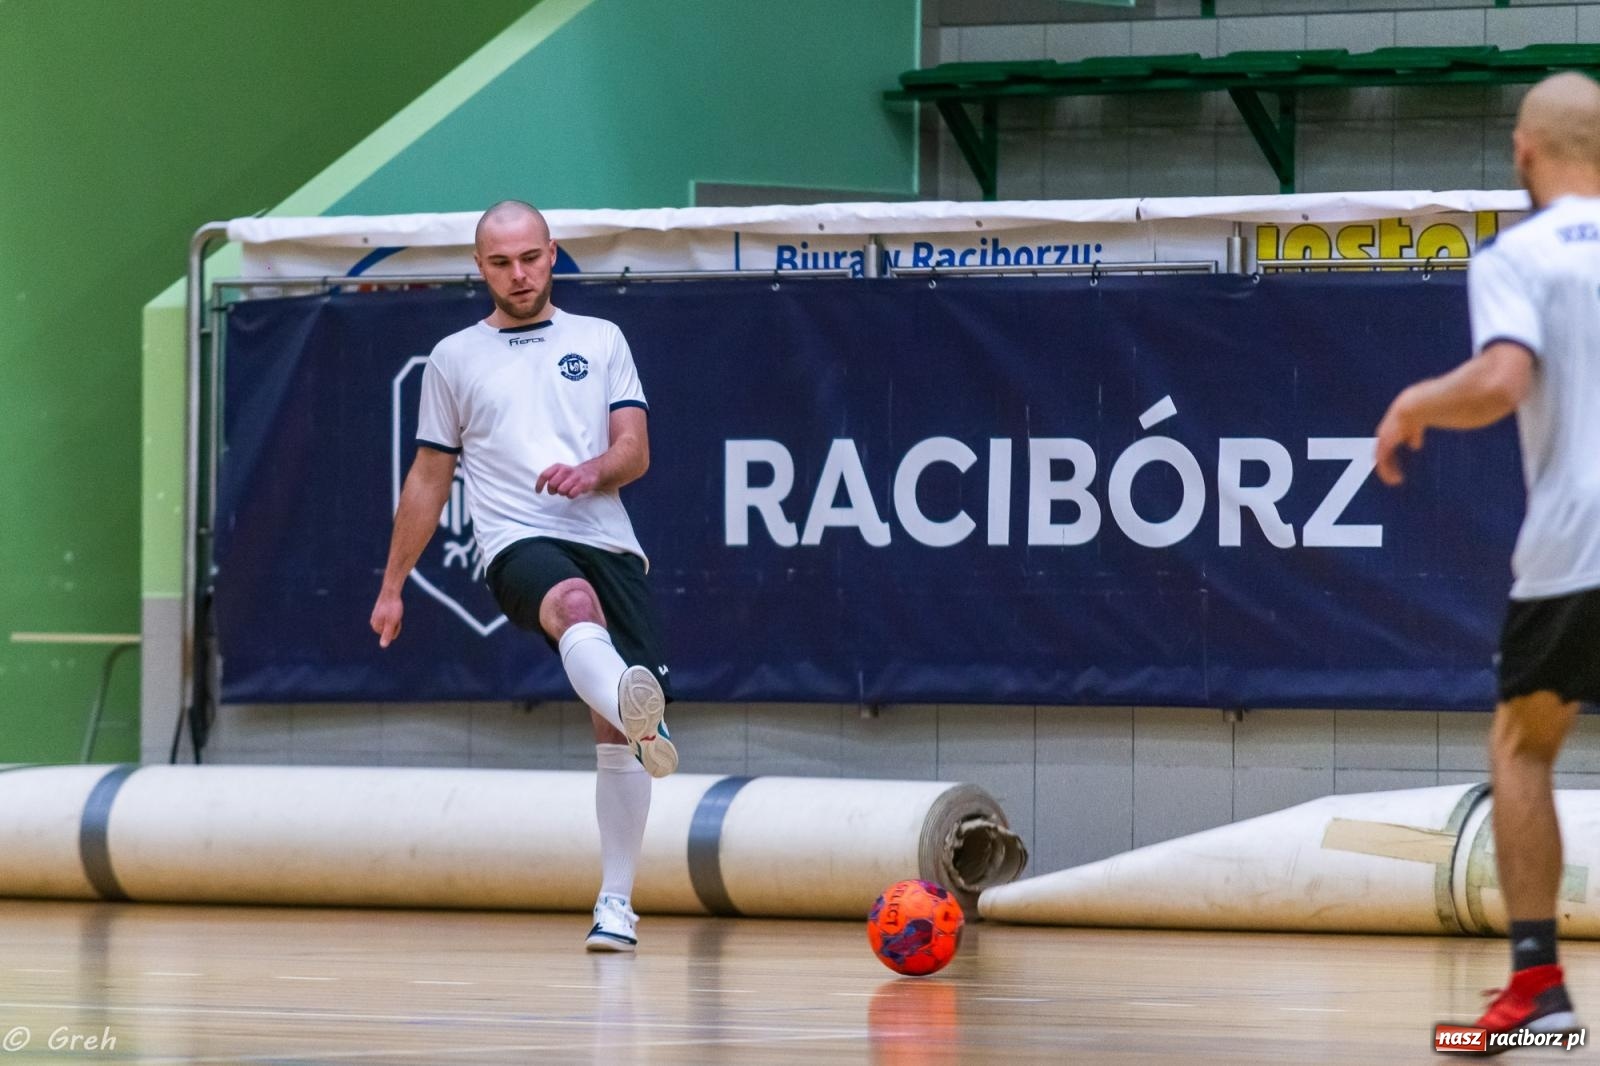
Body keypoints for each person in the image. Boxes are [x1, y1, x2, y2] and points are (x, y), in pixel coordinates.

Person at [369, 199, 677, 953]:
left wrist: (592, 470)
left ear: (552, 253)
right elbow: (428, 476)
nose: (518, 274)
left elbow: (633, 448)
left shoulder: (601, 339)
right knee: (572, 606)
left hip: (608, 538)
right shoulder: (454, 358)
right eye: (500, 262)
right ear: (480, 267)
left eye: (530, 258)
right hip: (515, 539)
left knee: (613, 732)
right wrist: (392, 585)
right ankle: (647, 718)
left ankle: (615, 904)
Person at [1376, 71, 1600, 1042]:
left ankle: (1536, 988)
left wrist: (1417, 401)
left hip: (1576, 544)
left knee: (1522, 745)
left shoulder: (1519, 256)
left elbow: (1502, 380)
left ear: (1523, 150)